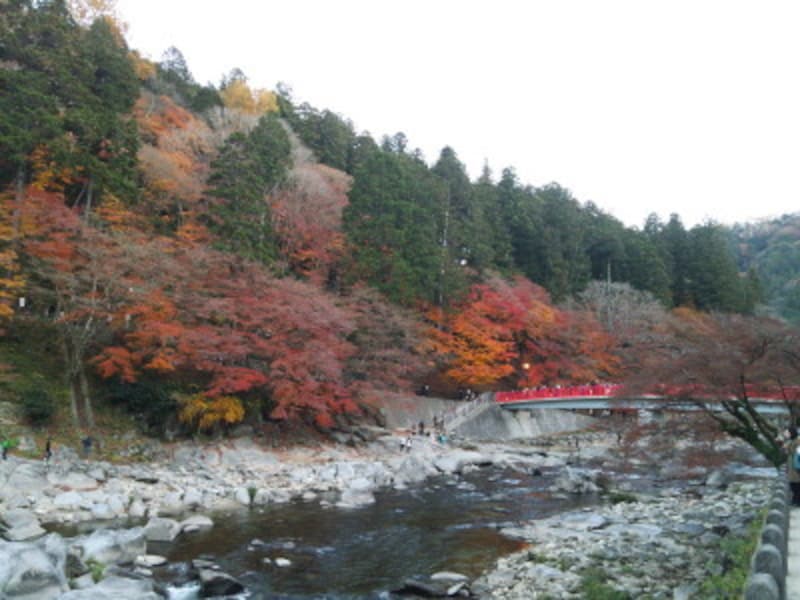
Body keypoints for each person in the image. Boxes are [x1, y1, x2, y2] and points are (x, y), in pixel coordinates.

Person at [786, 427, 800, 506]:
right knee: (793, 484)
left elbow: (797, 453)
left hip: (797, 465)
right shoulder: (792, 441)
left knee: (796, 484)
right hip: (793, 465)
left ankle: (797, 501)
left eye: (788, 433)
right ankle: (795, 500)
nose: (786, 434)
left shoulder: (798, 441)